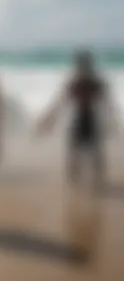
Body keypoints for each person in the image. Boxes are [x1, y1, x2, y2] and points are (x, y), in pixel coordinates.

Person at [37, 50, 119, 191]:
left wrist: (48, 121)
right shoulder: (87, 82)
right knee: (84, 156)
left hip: (85, 120)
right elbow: (60, 103)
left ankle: (84, 187)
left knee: (89, 156)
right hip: (86, 119)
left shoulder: (88, 82)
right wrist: (48, 121)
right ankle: (82, 188)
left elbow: (108, 104)